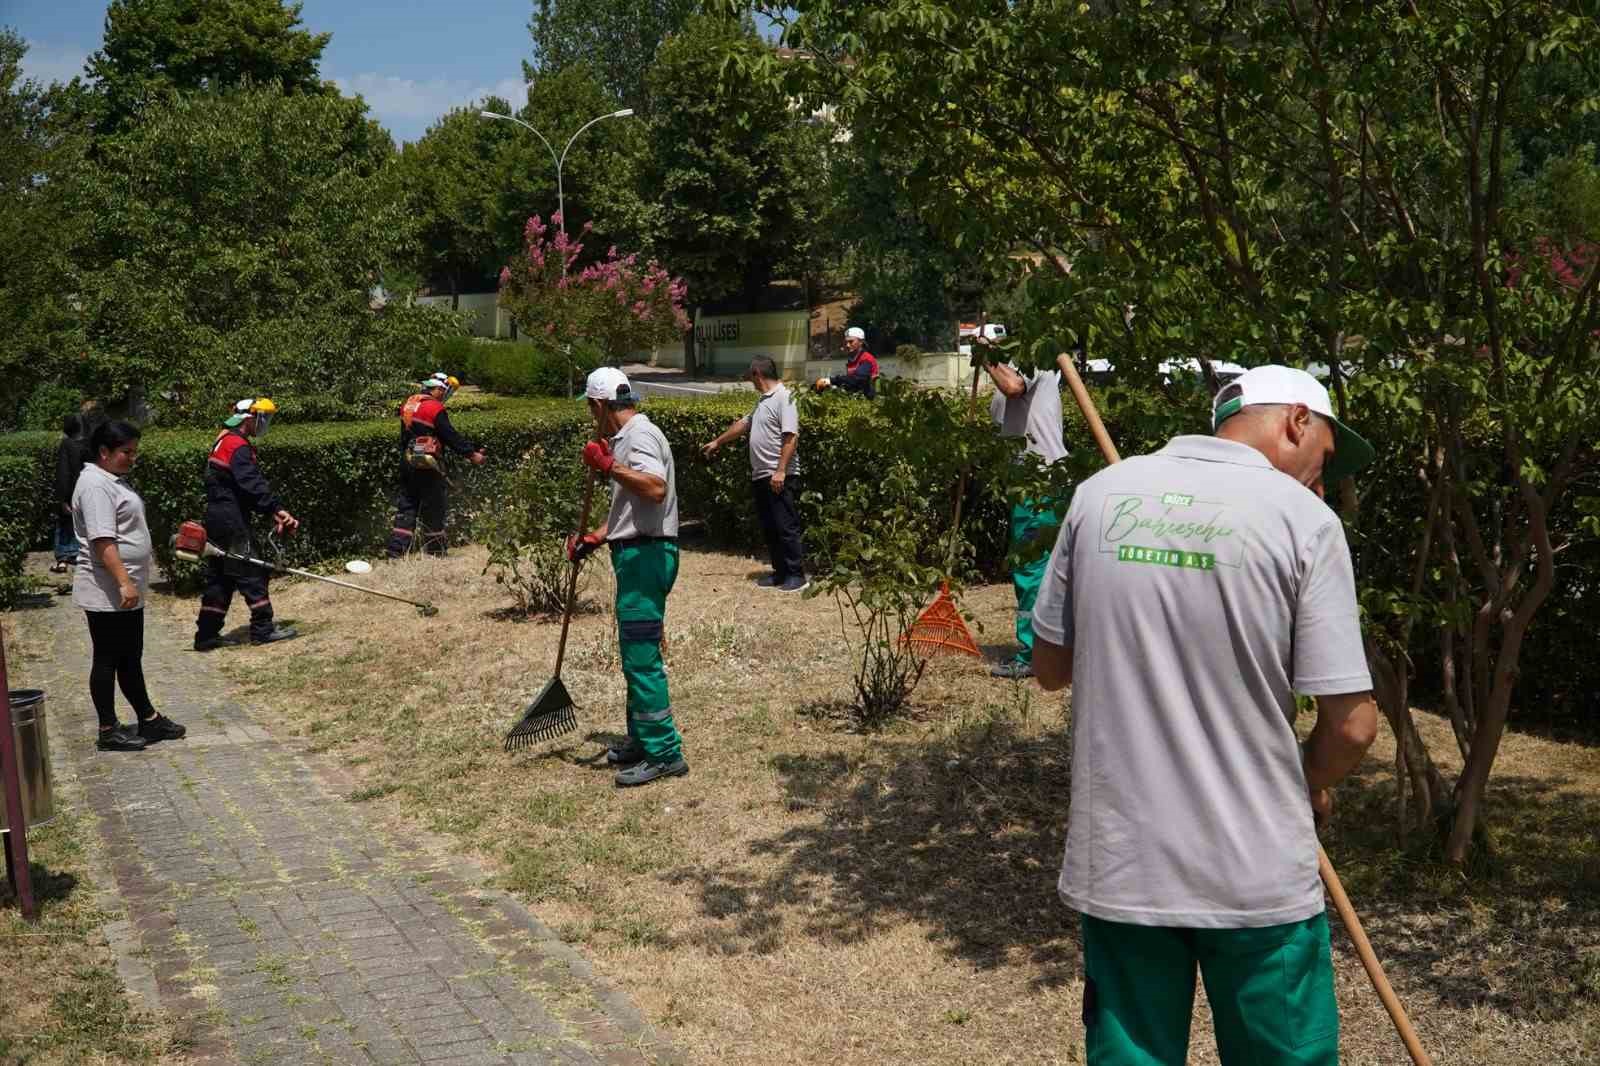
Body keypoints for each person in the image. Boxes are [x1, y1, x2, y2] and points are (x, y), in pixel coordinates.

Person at [1029, 365, 1380, 1065]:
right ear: (1297, 423)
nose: (1322, 477)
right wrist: (1310, 783)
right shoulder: (1305, 521)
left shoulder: (1099, 496)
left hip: (1124, 865)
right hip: (1257, 876)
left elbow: (1050, 669)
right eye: (1327, 458)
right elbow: (1353, 724)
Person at [567, 367, 688, 787]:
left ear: (599, 405)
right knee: (634, 654)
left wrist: (608, 466)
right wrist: (595, 538)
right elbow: (633, 509)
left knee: (641, 659)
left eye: (589, 409)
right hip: (637, 553)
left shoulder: (639, 435)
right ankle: (642, 740)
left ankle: (664, 753)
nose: (589, 417)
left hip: (646, 557)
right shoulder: (630, 437)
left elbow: (654, 489)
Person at [72, 420, 186, 752]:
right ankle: (108, 729)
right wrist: (123, 582)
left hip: (126, 587)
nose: (132, 458)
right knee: (108, 658)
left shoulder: (112, 480)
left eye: (135, 451)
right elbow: (103, 540)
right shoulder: (94, 485)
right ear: (104, 452)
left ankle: (148, 720)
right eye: (126, 452)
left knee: (130, 657)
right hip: (107, 589)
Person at [984, 351, 1070, 680]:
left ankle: (1033, 653)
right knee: (1045, 567)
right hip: (1033, 482)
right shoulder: (1023, 362)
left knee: (1030, 568)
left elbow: (1012, 386)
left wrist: (986, 357)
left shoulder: (1033, 359)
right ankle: (1055, 646)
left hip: (1039, 485)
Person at [194, 398, 300, 650]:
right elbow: (252, 484)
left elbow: (237, 487)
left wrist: (269, 512)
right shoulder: (237, 445)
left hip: (218, 516)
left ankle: (206, 635)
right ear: (249, 418)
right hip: (231, 519)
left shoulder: (223, 440)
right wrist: (276, 508)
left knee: (221, 577)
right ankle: (262, 629)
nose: (264, 424)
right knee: (252, 570)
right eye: (263, 418)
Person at [700, 355, 808, 592]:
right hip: (761, 475)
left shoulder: (784, 397)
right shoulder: (763, 400)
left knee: (785, 525)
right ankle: (780, 573)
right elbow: (744, 423)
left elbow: (791, 437)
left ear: (757, 374)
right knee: (770, 527)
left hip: (779, 475)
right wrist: (718, 442)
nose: (751, 381)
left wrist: (780, 471)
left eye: (751, 377)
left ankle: (796, 575)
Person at [385, 373, 485, 558]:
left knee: (407, 506)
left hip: (408, 460)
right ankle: (436, 551)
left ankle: (396, 552)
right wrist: (472, 454)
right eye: (443, 391)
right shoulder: (434, 408)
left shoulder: (410, 403)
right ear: (438, 389)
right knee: (434, 507)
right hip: (428, 465)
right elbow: (450, 436)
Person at [52, 413, 90, 573]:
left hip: (71, 493)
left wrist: (62, 499)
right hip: (89, 492)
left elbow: (64, 473)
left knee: (65, 525)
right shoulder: (90, 445)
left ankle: (63, 560)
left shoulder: (67, 444)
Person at [813, 326, 878, 399]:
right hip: (856, 399)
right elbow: (849, 383)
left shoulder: (867, 359)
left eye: (851, 342)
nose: (847, 345)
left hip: (868, 401)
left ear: (861, 342)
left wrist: (830, 380)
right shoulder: (852, 360)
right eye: (846, 342)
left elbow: (856, 380)